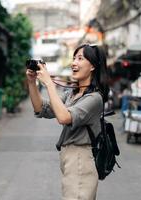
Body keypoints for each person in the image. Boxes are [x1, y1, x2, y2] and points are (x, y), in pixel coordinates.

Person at [26, 44, 109, 200]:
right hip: (69, 159)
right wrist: (32, 82)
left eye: (80, 58)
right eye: (73, 58)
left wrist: (49, 83)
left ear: (92, 66)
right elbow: (42, 109)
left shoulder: (94, 98)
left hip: (80, 159)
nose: (73, 63)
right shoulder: (72, 93)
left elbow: (64, 117)